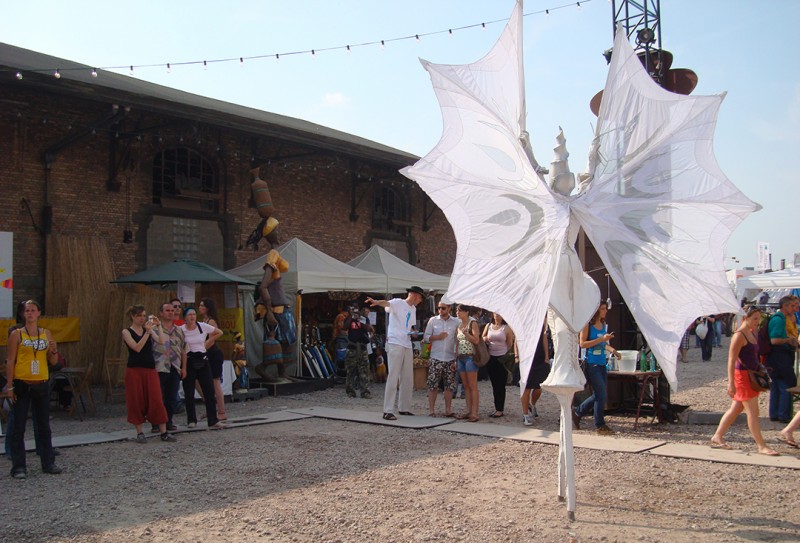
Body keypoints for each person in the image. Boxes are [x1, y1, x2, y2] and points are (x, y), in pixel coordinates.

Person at [4, 300, 63, 479]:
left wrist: (53, 351)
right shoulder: (17, 334)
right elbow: (10, 360)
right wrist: (9, 385)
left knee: (44, 425)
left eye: (33, 310)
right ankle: (19, 466)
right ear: (23, 314)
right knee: (18, 426)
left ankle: (48, 462)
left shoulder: (46, 334)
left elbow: (53, 362)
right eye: (27, 311)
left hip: (41, 382)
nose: (30, 313)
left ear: (39, 313)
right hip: (22, 382)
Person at [709, 307, 778, 455]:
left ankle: (717, 436)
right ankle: (761, 446)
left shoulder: (751, 333)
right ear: (745, 317)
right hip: (742, 376)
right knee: (753, 412)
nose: (757, 322)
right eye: (754, 318)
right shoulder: (739, 335)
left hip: (750, 375)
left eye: (758, 319)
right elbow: (731, 360)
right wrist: (731, 382)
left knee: (736, 408)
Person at [366, 286, 425, 420]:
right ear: (415, 295)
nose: (420, 301)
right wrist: (376, 301)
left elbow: (409, 326)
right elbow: (387, 303)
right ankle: (387, 410)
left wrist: (414, 332)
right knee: (393, 375)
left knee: (407, 377)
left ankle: (404, 407)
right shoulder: (398, 302)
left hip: (406, 342)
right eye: (420, 297)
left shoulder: (413, 309)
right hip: (395, 342)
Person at [121, 305, 177, 444]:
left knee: (157, 399)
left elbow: (162, 341)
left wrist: (158, 326)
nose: (142, 318)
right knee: (136, 400)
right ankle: (139, 432)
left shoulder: (149, 330)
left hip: (150, 369)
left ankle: (163, 432)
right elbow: (136, 348)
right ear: (133, 317)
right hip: (135, 369)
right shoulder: (126, 332)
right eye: (139, 315)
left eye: (144, 315)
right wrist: (147, 332)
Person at [573, 301, 621, 435]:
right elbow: (582, 344)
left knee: (599, 394)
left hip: (601, 363)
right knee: (601, 393)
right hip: (591, 363)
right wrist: (601, 340)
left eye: (605, 309)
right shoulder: (588, 325)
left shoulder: (603, 325)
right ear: (596, 311)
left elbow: (604, 344)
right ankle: (600, 424)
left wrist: (613, 350)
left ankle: (578, 412)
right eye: (603, 309)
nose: (605, 311)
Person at [180, 307, 225, 429]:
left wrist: (208, 342)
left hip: (203, 358)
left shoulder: (202, 326)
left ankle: (212, 419)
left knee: (209, 390)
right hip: (189, 359)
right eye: (189, 315)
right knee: (189, 391)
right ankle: (191, 419)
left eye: (194, 314)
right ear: (185, 317)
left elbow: (219, 332)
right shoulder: (181, 330)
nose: (192, 317)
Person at [765, 296, 799, 423]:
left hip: (779, 356)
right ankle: (783, 415)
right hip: (778, 355)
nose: (795, 308)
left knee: (778, 384)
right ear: (785, 306)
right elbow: (774, 340)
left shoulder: (784, 318)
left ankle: (775, 414)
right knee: (786, 383)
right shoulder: (778, 319)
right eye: (792, 305)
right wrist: (789, 340)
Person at [151, 301, 184, 432]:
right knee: (158, 397)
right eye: (167, 310)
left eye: (172, 310)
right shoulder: (153, 330)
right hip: (159, 367)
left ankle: (168, 421)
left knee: (171, 396)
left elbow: (184, 349)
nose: (171, 312)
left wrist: (184, 367)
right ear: (161, 313)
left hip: (174, 367)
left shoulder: (179, 331)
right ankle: (155, 422)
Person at [423, 301, 459, 417]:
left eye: (443, 308)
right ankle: (431, 411)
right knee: (433, 385)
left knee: (449, 386)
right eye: (439, 308)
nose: (440, 310)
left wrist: (456, 357)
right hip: (436, 357)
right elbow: (426, 337)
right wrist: (438, 337)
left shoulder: (456, 322)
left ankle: (448, 410)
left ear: (449, 308)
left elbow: (457, 340)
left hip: (450, 357)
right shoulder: (433, 320)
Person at [199, 298, 227, 422]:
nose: (199, 308)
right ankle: (210, 407)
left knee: (215, 382)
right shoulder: (203, 321)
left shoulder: (211, 321)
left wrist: (201, 348)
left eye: (202, 306)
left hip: (213, 353)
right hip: (206, 353)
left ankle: (221, 411)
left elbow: (212, 339)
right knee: (202, 382)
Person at [482, 312, 515, 418]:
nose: (497, 316)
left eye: (499, 314)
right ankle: (497, 407)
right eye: (495, 314)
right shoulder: (488, 326)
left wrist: (509, 359)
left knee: (500, 384)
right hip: (490, 357)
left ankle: (500, 408)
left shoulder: (506, 328)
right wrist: (485, 339)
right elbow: (482, 336)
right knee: (494, 384)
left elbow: (510, 344)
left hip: (502, 358)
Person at [455, 304, 481, 422]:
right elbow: (457, 343)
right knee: (465, 386)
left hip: (471, 357)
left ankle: (474, 412)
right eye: (457, 310)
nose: (457, 312)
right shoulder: (459, 325)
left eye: (460, 311)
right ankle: (469, 410)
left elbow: (476, 340)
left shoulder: (473, 323)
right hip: (461, 357)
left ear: (466, 312)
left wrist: (466, 334)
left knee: (472, 385)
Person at [521, 320, 550, 426]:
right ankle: (525, 415)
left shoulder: (539, 320)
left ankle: (532, 404)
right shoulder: (523, 320)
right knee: (526, 387)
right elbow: (517, 338)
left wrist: (546, 356)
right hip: (526, 358)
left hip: (539, 357)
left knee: (538, 387)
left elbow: (544, 337)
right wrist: (516, 356)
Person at [344, 303, 373, 399]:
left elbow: (369, 329)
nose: (355, 311)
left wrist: (360, 320)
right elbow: (345, 327)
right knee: (350, 371)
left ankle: (365, 392)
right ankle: (350, 392)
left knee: (364, 371)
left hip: (362, 347)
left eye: (356, 309)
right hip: (352, 347)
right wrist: (351, 317)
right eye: (353, 309)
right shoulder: (348, 318)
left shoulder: (364, 318)